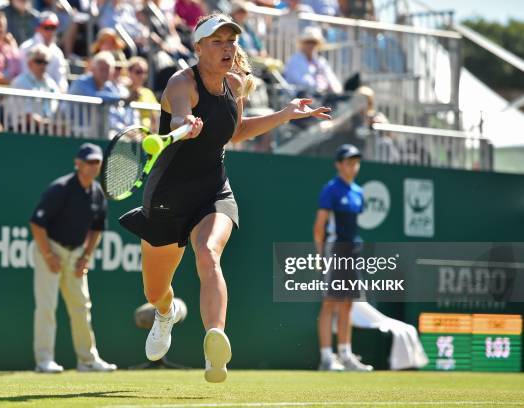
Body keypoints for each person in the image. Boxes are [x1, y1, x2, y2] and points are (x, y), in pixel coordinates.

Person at [119, 13, 331, 383]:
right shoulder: (181, 82)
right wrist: (186, 125)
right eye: (216, 42)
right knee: (155, 292)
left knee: (208, 253)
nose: (226, 48)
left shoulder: (236, 84)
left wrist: (284, 114)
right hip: (168, 195)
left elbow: (234, 133)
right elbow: (178, 117)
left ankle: (215, 340)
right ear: (197, 48)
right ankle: (166, 314)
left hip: (213, 190)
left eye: (231, 41)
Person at [29, 143, 117, 373]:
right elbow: (37, 224)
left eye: (96, 162)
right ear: (77, 163)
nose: (92, 166)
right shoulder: (60, 189)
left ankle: (87, 360)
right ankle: (44, 360)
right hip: (50, 248)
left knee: (81, 307)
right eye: (88, 161)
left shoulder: (98, 193)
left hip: (76, 253)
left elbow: (97, 228)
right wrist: (48, 255)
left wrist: (86, 256)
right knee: (47, 306)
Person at [313, 144, 373, 372]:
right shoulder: (331, 189)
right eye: (348, 162)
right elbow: (319, 228)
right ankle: (327, 358)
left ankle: (346, 355)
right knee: (330, 302)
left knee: (348, 303)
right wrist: (321, 257)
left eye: (356, 162)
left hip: (352, 251)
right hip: (334, 249)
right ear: (338, 165)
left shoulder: (358, 192)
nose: (353, 166)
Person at [68, 51, 134, 131]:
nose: (105, 73)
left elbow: (117, 111)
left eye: (108, 69)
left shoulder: (109, 86)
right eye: (102, 69)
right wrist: (121, 98)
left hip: (96, 132)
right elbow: (95, 97)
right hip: (73, 131)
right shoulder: (81, 82)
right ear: (93, 69)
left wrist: (125, 128)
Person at [10, 43, 60, 129]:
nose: (43, 65)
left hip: (46, 129)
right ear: (29, 63)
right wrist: (46, 124)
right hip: (23, 130)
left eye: (45, 62)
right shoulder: (19, 82)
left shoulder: (51, 83)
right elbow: (26, 115)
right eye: (39, 61)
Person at [283, 26, 342, 96]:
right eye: (308, 42)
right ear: (302, 44)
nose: (311, 45)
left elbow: (331, 78)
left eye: (313, 42)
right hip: (300, 97)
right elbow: (298, 80)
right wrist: (318, 87)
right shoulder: (294, 60)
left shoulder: (321, 61)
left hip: (321, 97)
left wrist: (334, 89)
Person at [19, 10, 69, 92]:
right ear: (38, 28)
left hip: (50, 96)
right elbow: (23, 74)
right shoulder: (25, 48)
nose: (50, 31)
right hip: (28, 95)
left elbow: (61, 81)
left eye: (53, 28)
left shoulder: (58, 53)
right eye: (46, 27)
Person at [127, 56, 159, 131]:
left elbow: (155, 117)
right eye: (138, 72)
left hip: (146, 136)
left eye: (144, 72)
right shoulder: (122, 90)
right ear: (129, 72)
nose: (142, 76)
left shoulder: (148, 92)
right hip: (128, 133)